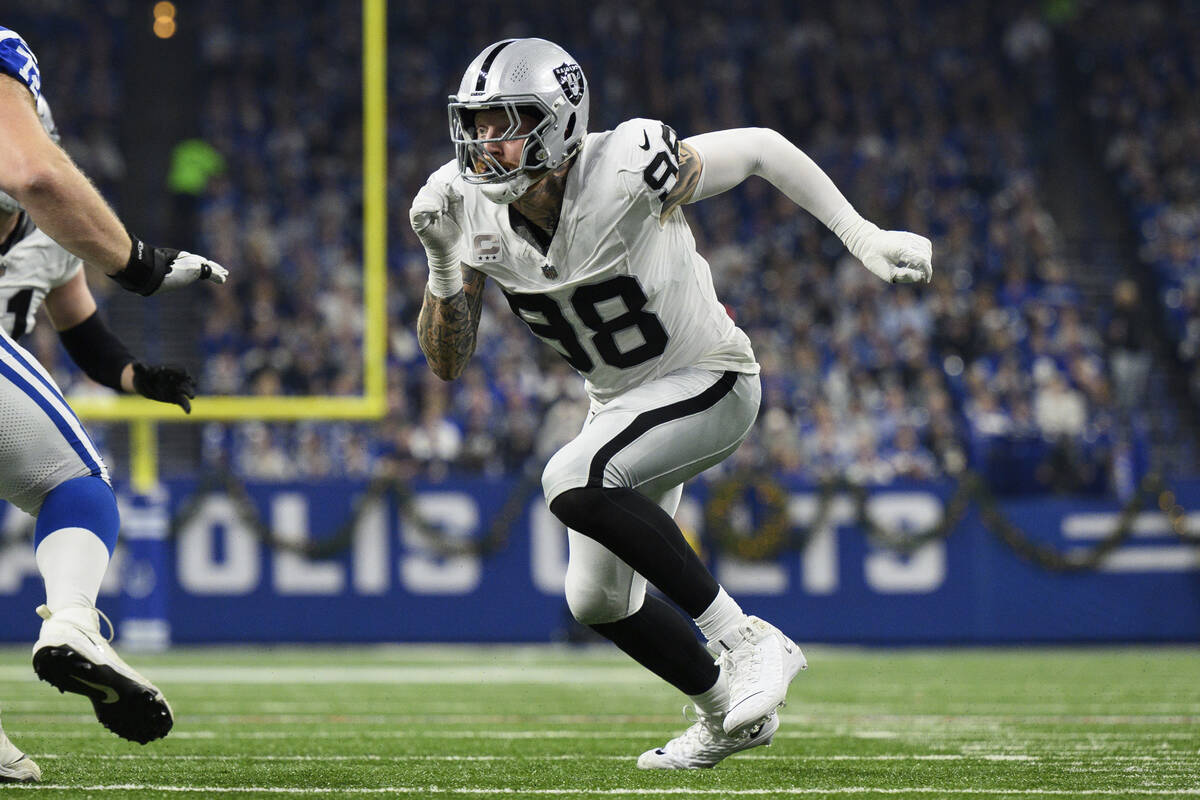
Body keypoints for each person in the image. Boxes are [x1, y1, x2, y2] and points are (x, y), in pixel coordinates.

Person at [411, 38, 932, 769]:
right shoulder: (464, 206)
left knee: (569, 478)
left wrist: (862, 235)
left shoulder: (627, 163)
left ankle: (745, 637)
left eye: (505, 122)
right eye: (476, 122)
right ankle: (725, 715)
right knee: (595, 601)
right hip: (622, 407)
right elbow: (446, 362)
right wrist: (441, 266)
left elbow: (760, 149)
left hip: (708, 377)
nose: (483, 142)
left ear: (559, 124)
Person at [0, 26, 228, 781]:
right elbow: (36, 174)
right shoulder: (28, 148)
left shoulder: (48, 242)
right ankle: (73, 622)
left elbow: (83, 333)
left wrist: (137, 378)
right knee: (78, 485)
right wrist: (140, 264)